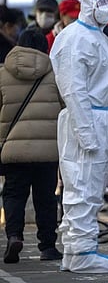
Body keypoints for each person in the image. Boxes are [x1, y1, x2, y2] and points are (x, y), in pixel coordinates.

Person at [49, 0, 108, 273]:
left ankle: (75, 250)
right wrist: (86, 132)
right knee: (82, 186)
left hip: (99, 117)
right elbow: (73, 89)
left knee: (90, 188)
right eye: (101, 3)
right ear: (88, 4)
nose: (106, 9)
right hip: (87, 118)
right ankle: (81, 251)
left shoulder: (99, 37)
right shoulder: (75, 38)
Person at [1, 29, 63, 264]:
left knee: (14, 195)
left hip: (13, 150)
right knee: (46, 199)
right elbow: (64, 106)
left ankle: (14, 236)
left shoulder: (3, 74)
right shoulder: (55, 75)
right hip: (47, 151)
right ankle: (47, 246)